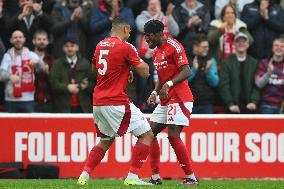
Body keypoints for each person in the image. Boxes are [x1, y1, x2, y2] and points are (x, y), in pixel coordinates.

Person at [77, 17, 154, 186]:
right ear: (125, 29)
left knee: (105, 140)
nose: (129, 35)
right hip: (116, 101)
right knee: (147, 135)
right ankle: (133, 177)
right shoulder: (126, 47)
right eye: (129, 32)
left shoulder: (100, 45)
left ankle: (84, 175)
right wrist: (137, 63)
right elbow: (146, 72)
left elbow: (95, 70)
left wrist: (125, 70)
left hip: (98, 103)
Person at [144, 19, 198, 186]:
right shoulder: (155, 53)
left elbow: (186, 70)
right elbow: (161, 78)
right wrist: (154, 92)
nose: (146, 40)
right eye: (145, 36)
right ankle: (155, 177)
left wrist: (169, 84)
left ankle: (191, 177)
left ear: (160, 33)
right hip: (166, 99)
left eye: (149, 36)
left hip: (180, 97)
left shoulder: (174, 46)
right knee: (149, 134)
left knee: (173, 135)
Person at [0, 30, 45, 113]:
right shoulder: (7, 56)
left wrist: (38, 63)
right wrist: (9, 76)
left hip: (28, 99)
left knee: (29, 125)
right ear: (11, 40)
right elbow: (1, 75)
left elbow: (43, 69)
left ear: (24, 39)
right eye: (15, 37)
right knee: (11, 125)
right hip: (11, 99)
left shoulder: (31, 54)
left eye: (20, 37)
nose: (18, 39)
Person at [49, 37, 94, 113]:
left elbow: (94, 84)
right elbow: (53, 83)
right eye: (67, 46)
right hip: (63, 107)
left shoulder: (86, 63)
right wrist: (67, 87)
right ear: (63, 48)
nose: (69, 49)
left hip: (83, 107)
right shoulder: (57, 64)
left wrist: (87, 86)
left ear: (77, 47)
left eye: (72, 46)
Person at [220, 32, 260, 114]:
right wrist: (230, 104)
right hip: (232, 108)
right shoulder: (226, 62)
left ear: (248, 44)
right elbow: (224, 85)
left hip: (250, 107)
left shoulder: (254, 63)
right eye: (238, 41)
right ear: (234, 44)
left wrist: (254, 101)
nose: (241, 44)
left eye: (243, 41)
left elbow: (257, 85)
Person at [188, 34, 219, 114]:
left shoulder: (211, 60)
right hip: (189, 103)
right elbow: (182, 81)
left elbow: (215, 83)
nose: (207, 49)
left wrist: (208, 71)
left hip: (207, 103)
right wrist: (194, 70)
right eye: (204, 47)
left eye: (207, 47)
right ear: (196, 47)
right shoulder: (186, 60)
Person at [255, 38, 284, 114]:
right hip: (267, 104)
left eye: (282, 46)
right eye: (276, 45)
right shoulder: (264, 63)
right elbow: (259, 84)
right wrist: (269, 73)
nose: (279, 48)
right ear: (272, 48)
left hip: (282, 105)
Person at [33, 30, 55, 112]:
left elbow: (55, 80)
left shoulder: (51, 60)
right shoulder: (27, 57)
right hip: (31, 100)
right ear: (33, 41)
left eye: (44, 39)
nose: (41, 41)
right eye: (39, 39)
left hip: (47, 100)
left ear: (47, 42)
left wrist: (49, 73)